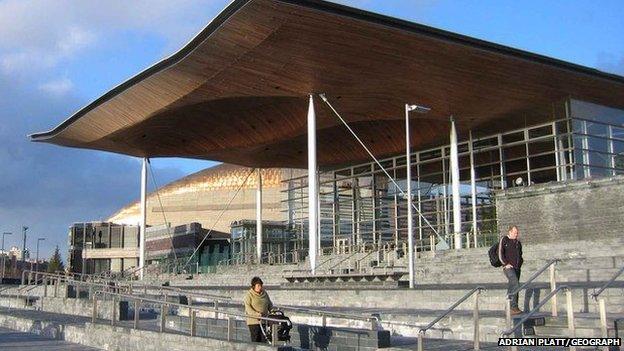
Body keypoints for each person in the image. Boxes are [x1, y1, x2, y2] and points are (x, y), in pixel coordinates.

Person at [499, 225, 524, 315]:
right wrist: (505, 264)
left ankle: (513, 306)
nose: (516, 234)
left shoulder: (518, 243)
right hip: (508, 267)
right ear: (510, 232)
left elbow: (520, 254)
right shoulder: (504, 239)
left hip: (517, 268)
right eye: (515, 233)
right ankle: (511, 306)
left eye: (517, 233)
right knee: (515, 283)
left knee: (514, 286)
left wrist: (520, 263)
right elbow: (500, 253)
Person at [244, 276, 273, 342]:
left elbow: (269, 304)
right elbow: (248, 308)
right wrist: (256, 314)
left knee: (264, 340)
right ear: (253, 286)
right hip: (253, 322)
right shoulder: (249, 295)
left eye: (261, 285)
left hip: (263, 320)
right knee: (256, 339)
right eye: (258, 286)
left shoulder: (265, 293)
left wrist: (273, 312)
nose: (260, 287)